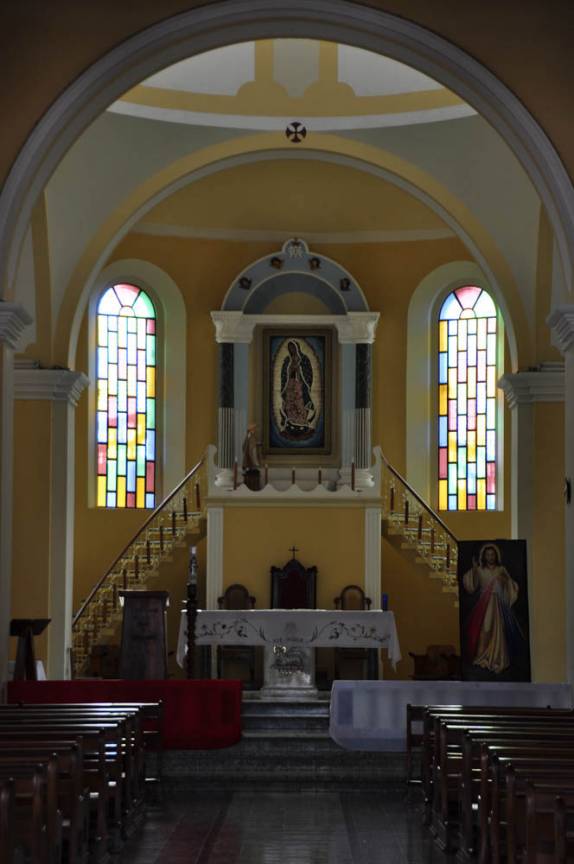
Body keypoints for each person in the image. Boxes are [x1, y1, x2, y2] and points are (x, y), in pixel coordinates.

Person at [462, 543, 521, 674]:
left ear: (496, 556)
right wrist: (474, 570)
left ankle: (497, 659)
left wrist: (504, 582)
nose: (490, 557)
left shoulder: (501, 570)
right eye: (488, 554)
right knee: (485, 629)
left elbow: (511, 585)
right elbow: (472, 585)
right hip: (484, 605)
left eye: (492, 554)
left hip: (498, 605)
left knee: (498, 631)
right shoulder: (480, 569)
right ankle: (483, 657)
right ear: (484, 556)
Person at [279, 339, 316, 436]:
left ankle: (302, 423)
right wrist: (290, 370)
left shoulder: (303, 359)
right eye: (290, 348)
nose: (291, 350)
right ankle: (290, 422)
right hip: (290, 386)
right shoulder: (288, 360)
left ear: (297, 348)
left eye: (293, 348)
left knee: (300, 404)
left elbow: (308, 373)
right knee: (290, 404)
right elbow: (284, 374)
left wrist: (299, 370)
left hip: (300, 385)